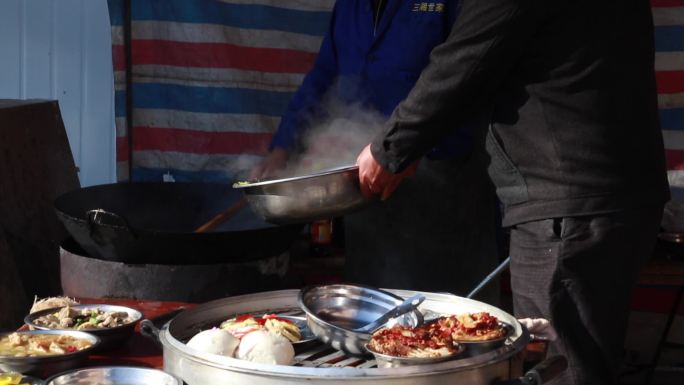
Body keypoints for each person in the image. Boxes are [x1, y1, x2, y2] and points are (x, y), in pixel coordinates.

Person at [356, 0, 669, 384]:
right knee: (584, 360)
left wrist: (389, 149)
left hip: (567, 200)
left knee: (559, 367)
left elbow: (464, 61)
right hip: (613, 193)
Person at [253, 0, 501, 300]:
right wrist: (284, 147)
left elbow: (467, 74)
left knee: (449, 318)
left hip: (444, 183)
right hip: (368, 183)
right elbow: (325, 74)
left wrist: (406, 148)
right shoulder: (350, 5)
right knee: (376, 311)